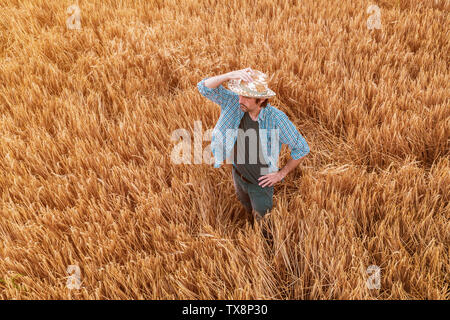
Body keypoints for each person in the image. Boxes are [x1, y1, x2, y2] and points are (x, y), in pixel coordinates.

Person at [197, 68, 310, 224]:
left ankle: (265, 244)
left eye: (247, 97)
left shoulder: (276, 119)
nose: (240, 100)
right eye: (240, 94)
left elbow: (302, 148)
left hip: (261, 183)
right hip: (238, 174)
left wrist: (280, 174)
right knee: (246, 207)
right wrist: (229, 75)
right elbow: (203, 87)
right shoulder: (233, 103)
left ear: (261, 100)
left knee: (264, 222)